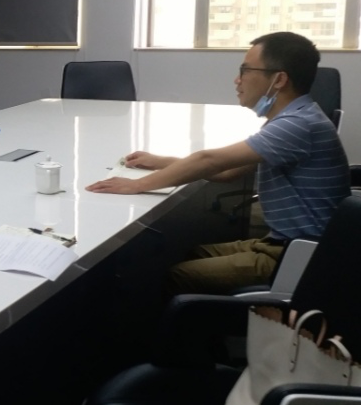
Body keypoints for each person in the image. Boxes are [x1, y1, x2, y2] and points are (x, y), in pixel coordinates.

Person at [86, 32, 349, 294]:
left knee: (177, 275)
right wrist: (162, 162)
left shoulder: (297, 125)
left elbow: (208, 160)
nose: (237, 80)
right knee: (192, 252)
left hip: (301, 256)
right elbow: (228, 172)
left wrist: (137, 185)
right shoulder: (295, 117)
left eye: (245, 70)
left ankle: (193, 318)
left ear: (279, 79)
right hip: (286, 243)